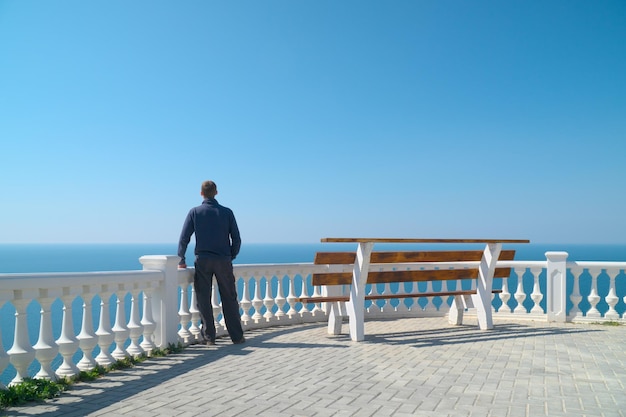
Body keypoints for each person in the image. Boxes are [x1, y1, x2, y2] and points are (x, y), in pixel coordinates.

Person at [178, 180, 245, 345]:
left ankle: (209, 338)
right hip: (223, 260)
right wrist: (231, 255)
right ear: (216, 193)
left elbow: (184, 238)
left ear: (201, 193)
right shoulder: (227, 212)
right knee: (229, 298)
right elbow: (236, 238)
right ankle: (237, 336)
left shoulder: (195, 212)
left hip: (203, 260)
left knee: (203, 298)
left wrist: (181, 259)